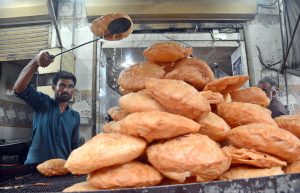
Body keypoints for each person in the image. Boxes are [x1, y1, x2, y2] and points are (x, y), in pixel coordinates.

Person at [13, 52, 81, 164]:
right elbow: (19, 88)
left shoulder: (75, 116)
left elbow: (74, 146)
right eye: (62, 85)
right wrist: (35, 62)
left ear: (73, 90)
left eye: (70, 86)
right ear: (54, 87)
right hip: (35, 167)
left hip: (61, 169)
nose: (65, 90)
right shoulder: (43, 103)